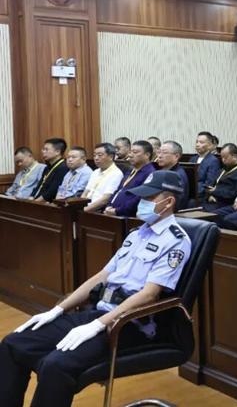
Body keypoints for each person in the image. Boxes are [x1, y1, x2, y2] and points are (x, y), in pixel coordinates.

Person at [0, 170, 191, 407]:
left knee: (56, 365)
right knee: (13, 343)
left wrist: (98, 325)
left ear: (168, 202)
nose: (141, 202)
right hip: (100, 312)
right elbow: (102, 276)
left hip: (129, 324)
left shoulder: (176, 241)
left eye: (148, 198)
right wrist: (58, 310)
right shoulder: (137, 234)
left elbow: (149, 294)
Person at [105, 140, 157, 217]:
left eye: (135, 152)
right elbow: (119, 190)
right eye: (130, 152)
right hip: (112, 212)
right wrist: (109, 205)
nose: (130, 155)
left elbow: (138, 198)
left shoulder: (151, 173)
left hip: (127, 217)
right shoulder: (131, 170)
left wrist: (117, 211)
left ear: (147, 155)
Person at [203, 143, 237, 210]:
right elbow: (212, 185)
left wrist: (215, 192)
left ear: (234, 156)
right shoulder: (222, 170)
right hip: (213, 201)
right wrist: (209, 196)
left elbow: (235, 193)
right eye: (222, 157)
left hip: (226, 204)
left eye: (225, 157)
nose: (223, 160)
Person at [82, 143, 124, 213]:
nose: (96, 158)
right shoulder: (95, 172)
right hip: (85, 207)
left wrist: (85, 210)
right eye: (94, 155)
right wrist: (79, 205)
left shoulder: (116, 174)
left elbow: (105, 199)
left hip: (98, 210)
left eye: (100, 155)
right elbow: (86, 192)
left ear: (111, 157)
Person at [32, 138, 69, 203]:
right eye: (43, 149)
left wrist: (35, 202)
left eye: (46, 149)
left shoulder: (63, 168)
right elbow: (40, 185)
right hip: (37, 200)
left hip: (48, 204)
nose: (43, 151)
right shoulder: (47, 167)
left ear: (57, 152)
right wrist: (31, 197)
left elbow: (52, 191)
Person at [155, 141, 190, 210]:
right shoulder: (160, 171)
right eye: (159, 152)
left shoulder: (176, 176)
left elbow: (173, 205)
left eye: (164, 153)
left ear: (176, 156)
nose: (159, 156)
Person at [190, 131, 222, 202]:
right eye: (197, 142)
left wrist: (192, 190)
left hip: (201, 195)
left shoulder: (213, 161)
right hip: (189, 193)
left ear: (210, 145)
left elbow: (209, 184)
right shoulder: (193, 159)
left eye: (201, 142)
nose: (197, 145)